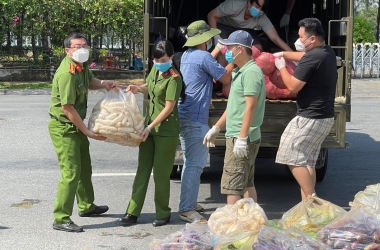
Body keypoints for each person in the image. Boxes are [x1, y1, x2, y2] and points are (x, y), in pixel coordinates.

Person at [48, 32, 115, 233]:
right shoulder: (67, 74)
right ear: (67, 50)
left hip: (75, 125)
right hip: (64, 127)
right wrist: (86, 131)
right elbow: (68, 108)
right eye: (77, 46)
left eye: (85, 45)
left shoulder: (82, 66)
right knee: (70, 173)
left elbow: (89, 80)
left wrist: (104, 85)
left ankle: (86, 206)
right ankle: (61, 217)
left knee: (84, 168)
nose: (82, 49)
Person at [119, 39, 184, 227]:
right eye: (156, 60)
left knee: (161, 174)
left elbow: (169, 108)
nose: (159, 63)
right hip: (149, 127)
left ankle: (163, 213)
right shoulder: (156, 70)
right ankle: (132, 212)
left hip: (165, 130)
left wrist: (150, 127)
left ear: (171, 58)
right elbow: (149, 86)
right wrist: (137, 88)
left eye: (163, 59)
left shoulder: (174, 78)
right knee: (142, 170)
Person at [273, 18, 337, 200]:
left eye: (301, 37)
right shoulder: (326, 52)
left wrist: (281, 67)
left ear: (313, 39)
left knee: (289, 154)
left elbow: (293, 87)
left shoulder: (313, 57)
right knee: (307, 160)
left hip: (311, 117)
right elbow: (302, 57)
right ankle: (307, 208)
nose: (298, 40)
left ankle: (312, 200)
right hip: (324, 116)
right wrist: (284, 54)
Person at [178, 20, 232, 223]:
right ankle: (186, 209)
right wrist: (234, 60)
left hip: (184, 113)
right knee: (195, 164)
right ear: (206, 39)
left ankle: (189, 201)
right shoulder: (203, 57)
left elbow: (205, 65)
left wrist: (217, 51)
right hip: (195, 117)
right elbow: (226, 79)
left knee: (189, 163)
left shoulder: (187, 55)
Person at [203, 30, 265, 205]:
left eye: (229, 48)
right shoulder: (239, 72)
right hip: (237, 134)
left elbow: (250, 107)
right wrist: (216, 127)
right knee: (246, 183)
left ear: (239, 49)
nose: (226, 52)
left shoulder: (251, 73)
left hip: (241, 135)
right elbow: (233, 107)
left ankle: (232, 228)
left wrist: (242, 138)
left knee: (232, 185)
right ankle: (251, 220)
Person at [207, 0, 293, 66]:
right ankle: (223, 81)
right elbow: (211, 15)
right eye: (257, 6)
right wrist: (216, 36)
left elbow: (276, 39)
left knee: (257, 49)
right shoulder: (235, 4)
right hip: (225, 25)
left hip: (246, 30)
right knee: (223, 50)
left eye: (261, 9)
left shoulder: (261, 17)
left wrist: (294, 55)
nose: (258, 10)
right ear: (249, 2)